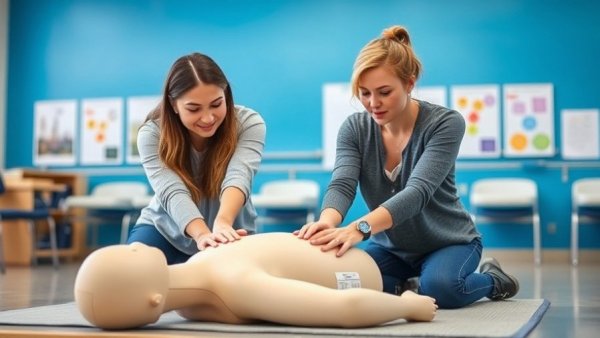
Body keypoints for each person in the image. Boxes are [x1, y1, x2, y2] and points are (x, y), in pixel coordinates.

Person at [296, 25, 519, 309]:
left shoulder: (445, 123)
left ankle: (493, 279)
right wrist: (326, 223)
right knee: (359, 284)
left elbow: (418, 192)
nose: (373, 104)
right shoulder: (354, 129)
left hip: (448, 242)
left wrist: (359, 228)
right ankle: (410, 284)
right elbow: (342, 183)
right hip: (391, 248)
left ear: (409, 84)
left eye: (384, 92)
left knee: (442, 289)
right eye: (364, 93)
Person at [75, 232, 437, 330]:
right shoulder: (231, 285)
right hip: (365, 275)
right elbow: (345, 306)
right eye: (130, 256)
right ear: (153, 300)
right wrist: (406, 306)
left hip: (360, 259)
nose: (136, 245)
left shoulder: (201, 274)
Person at [127, 53, 266, 264]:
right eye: (194, 109)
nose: (208, 118)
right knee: (134, 268)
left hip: (230, 231)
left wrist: (223, 223)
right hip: (165, 232)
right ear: (173, 105)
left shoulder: (249, 123)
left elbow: (239, 175)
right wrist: (202, 235)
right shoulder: (151, 134)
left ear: (226, 94)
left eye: (216, 104)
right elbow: (172, 191)